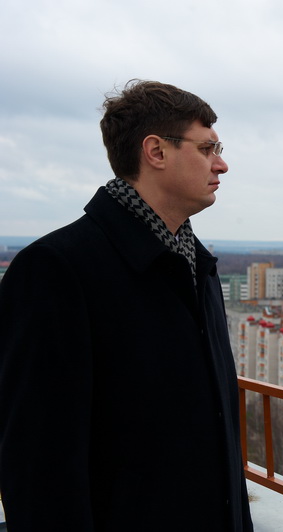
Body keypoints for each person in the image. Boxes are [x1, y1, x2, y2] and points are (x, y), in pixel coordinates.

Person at [0, 80, 254, 531]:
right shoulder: (56, 269)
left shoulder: (198, 266)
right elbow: (39, 464)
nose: (222, 164)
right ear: (155, 151)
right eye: (207, 148)